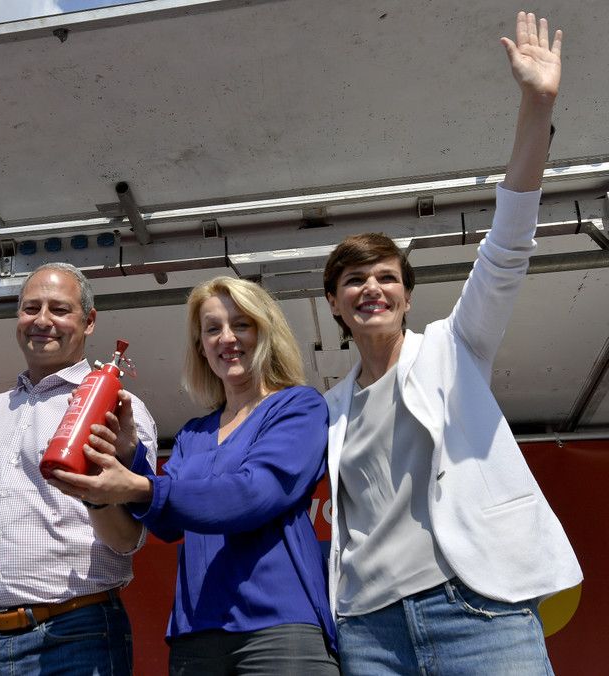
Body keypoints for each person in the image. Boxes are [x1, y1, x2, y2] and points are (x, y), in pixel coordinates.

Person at [320, 13, 581, 674]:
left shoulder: (453, 346)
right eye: (354, 281)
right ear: (334, 304)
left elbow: (508, 245)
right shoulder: (327, 408)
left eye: (387, 277)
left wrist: (537, 105)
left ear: (407, 296)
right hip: (370, 632)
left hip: (477, 611)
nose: (372, 288)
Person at [57, 276, 338, 675]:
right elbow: (167, 522)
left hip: (279, 626)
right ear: (201, 347)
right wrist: (130, 453)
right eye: (213, 329)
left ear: (266, 332)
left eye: (241, 324)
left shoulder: (298, 407)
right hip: (196, 633)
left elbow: (253, 494)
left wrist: (139, 485)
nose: (227, 338)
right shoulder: (194, 434)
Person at [0, 262, 158, 675]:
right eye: (31, 308)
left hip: (73, 633)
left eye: (60, 309)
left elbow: (128, 539)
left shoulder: (117, 409)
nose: (42, 321)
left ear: (89, 321)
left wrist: (96, 496)